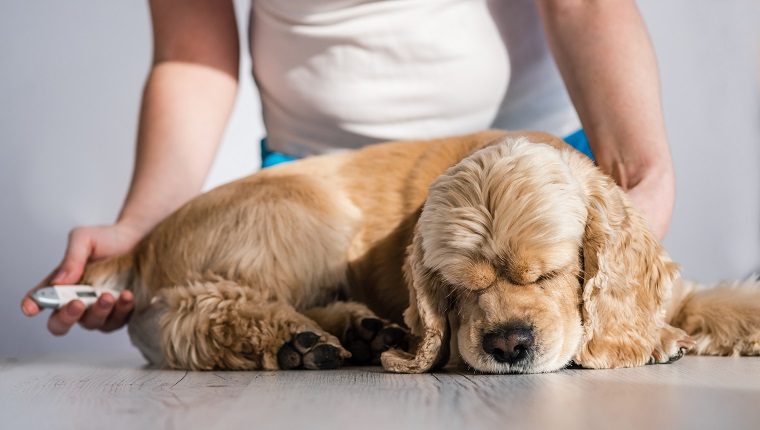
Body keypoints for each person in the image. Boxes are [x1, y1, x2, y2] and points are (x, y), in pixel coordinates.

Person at [21, 0, 675, 338]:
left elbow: (583, 5)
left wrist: (639, 177)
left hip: (521, 186)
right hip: (316, 194)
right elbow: (192, 50)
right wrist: (146, 223)